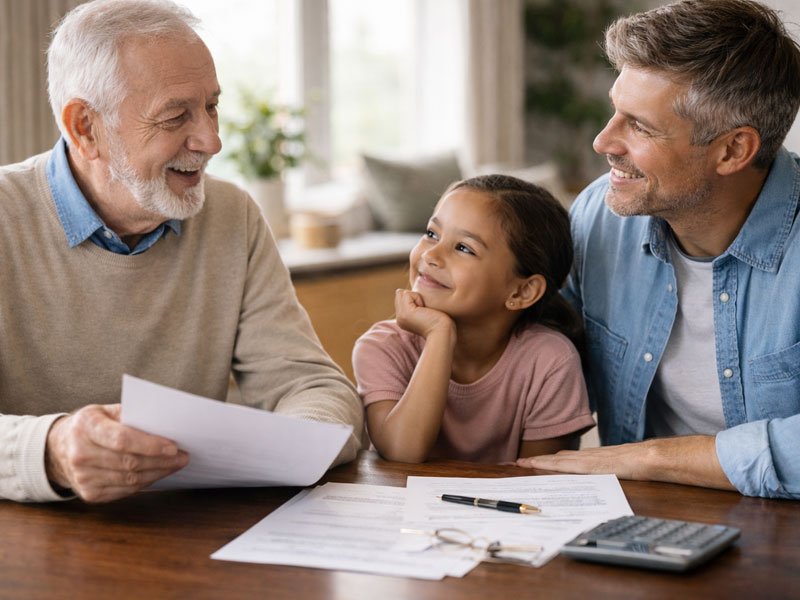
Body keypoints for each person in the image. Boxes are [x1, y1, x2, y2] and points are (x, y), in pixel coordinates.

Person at [0, 0, 363, 504]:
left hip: (189, 544)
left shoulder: (232, 216)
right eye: (175, 116)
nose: (211, 140)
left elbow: (314, 388)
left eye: (211, 106)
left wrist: (291, 447)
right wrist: (52, 450)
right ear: (85, 127)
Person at [516, 0, 800, 500]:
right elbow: (542, 360)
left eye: (640, 126)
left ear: (733, 150)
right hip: (642, 519)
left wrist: (648, 457)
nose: (603, 141)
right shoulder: (600, 217)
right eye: (614, 111)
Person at [353, 175, 595, 463]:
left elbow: (538, 482)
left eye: (464, 248)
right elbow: (403, 452)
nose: (431, 255)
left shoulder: (551, 362)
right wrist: (439, 335)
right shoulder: (382, 347)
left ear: (522, 291)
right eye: (432, 234)